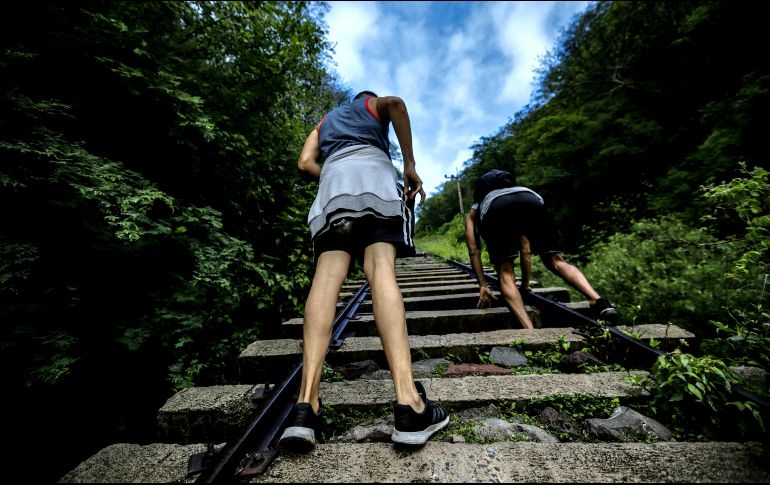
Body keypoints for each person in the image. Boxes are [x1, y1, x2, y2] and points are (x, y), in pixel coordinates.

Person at [278, 91, 449, 452]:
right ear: (368, 99)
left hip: (332, 189)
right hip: (374, 180)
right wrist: (409, 165)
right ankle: (409, 402)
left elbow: (305, 163)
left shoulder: (325, 122)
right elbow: (398, 104)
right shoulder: (370, 105)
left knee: (325, 279)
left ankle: (305, 408)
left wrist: (337, 173)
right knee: (381, 269)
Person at [464, 168, 619, 330]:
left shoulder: (479, 205)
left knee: (506, 273)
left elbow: (473, 250)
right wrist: (524, 284)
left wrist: (483, 284)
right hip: (532, 199)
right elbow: (525, 248)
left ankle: (530, 331)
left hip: (498, 209)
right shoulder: (519, 192)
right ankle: (599, 301)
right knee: (556, 260)